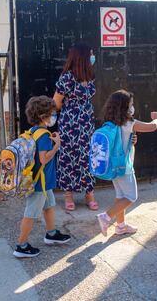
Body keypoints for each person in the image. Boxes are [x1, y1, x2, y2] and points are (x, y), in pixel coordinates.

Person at [97, 90, 157, 236]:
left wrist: (132, 142)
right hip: (124, 167)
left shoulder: (111, 123)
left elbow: (122, 141)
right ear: (124, 106)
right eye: (130, 104)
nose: (132, 107)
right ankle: (105, 217)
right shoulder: (128, 122)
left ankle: (121, 226)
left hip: (114, 165)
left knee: (121, 195)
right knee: (131, 196)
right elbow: (152, 126)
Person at [13, 96, 71, 258]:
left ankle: (51, 233)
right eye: (52, 113)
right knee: (31, 213)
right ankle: (21, 245)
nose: (54, 115)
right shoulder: (44, 135)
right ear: (42, 116)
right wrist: (57, 146)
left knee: (49, 205)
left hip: (41, 182)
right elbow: (44, 159)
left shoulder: (32, 132)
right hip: (40, 183)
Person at [53, 44, 98, 211]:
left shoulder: (90, 76)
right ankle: (68, 196)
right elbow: (56, 102)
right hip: (70, 124)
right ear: (83, 57)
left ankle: (89, 194)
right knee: (69, 157)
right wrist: (72, 111)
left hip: (87, 124)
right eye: (91, 54)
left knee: (87, 156)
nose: (93, 57)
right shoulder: (67, 78)